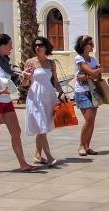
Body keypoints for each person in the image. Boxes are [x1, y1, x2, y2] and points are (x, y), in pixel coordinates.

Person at [0, 34, 38, 174]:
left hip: (6, 102)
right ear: (2, 46)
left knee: (16, 131)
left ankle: (23, 163)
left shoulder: (5, 61)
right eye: (10, 45)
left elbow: (16, 80)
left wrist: (25, 75)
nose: (12, 47)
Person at [23, 36, 65, 166]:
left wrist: (62, 93)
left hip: (48, 97)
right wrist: (25, 76)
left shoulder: (51, 63)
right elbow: (24, 84)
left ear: (46, 47)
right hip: (35, 97)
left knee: (43, 126)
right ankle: (49, 157)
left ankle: (37, 155)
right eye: (35, 45)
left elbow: (55, 82)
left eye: (40, 45)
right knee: (41, 128)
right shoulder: (30, 62)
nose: (37, 47)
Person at [73, 35, 103, 156]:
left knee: (92, 121)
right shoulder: (79, 58)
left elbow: (99, 76)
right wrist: (95, 72)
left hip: (93, 91)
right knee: (88, 119)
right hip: (82, 92)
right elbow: (92, 72)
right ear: (83, 45)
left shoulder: (93, 59)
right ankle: (81, 145)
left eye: (91, 42)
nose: (92, 44)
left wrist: (86, 76)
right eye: (89, 43)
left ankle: (87, 145)